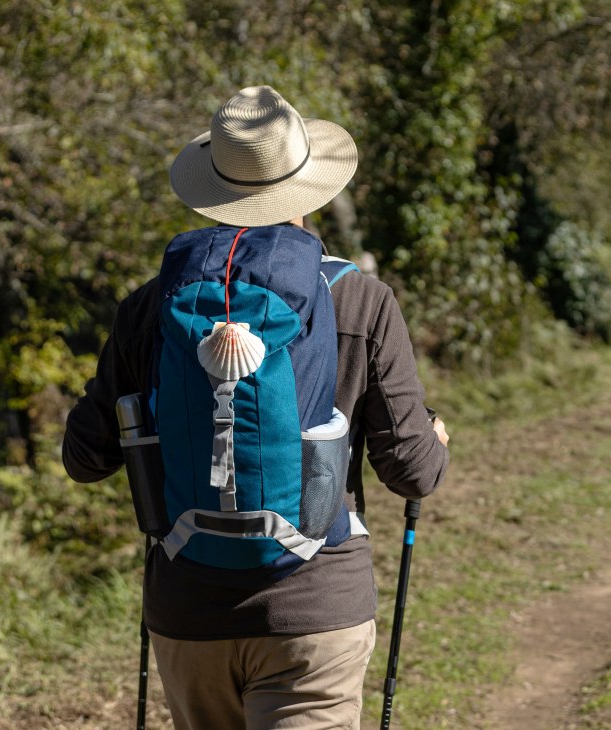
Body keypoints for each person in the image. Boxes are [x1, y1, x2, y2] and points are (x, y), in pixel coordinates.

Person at [62, 86, 449, 729]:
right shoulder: (361, 302)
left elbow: (84, 459)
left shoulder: (150, 307)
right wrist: (434, 439)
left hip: (187, 612)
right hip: (315, 612)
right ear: (311, 188)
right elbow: (412, 472)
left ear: (209, 190)